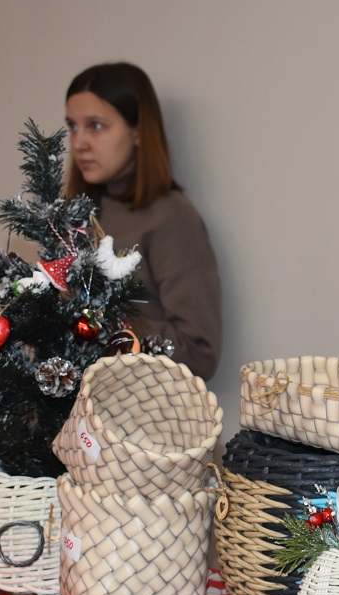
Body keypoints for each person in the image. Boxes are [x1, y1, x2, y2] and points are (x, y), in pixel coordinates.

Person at [64, 63, 222, 380]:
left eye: (96, 126)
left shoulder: (170, 217)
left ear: (137, 132)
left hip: (140, 407)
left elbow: (199, 351)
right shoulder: (74, 214)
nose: (79, 142)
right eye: (73, 126)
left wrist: (104, 323)